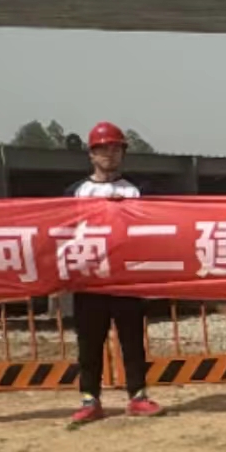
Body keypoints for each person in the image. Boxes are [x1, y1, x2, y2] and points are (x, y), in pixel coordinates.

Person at [67, 122, 161, 425]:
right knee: (89, 343)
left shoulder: (137, 190)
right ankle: (90, 399)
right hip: (89, 279)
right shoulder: (74, 193)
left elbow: (153, 230)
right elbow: (60, 234)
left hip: (126, 278)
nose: (110, 154)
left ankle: (138, 396)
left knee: (132, 340)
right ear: (91, 154)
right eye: (103, 149)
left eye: (115, 148)